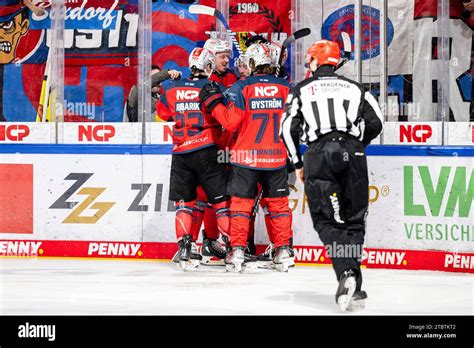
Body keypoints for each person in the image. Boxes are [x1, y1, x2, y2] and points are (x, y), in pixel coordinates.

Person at [280, 40, 383, 311]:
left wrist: (296, 164)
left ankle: (346, 275)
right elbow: (377, 122)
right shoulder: (355, 88)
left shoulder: (301, 89)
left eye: (309, 61)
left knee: (328, 220)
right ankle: (354, 284)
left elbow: (287, 127)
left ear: (315, 61)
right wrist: (355, 143)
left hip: (320, 154)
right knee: (354, 219)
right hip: (353, 154)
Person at [199, 43, 292, 273]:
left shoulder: (243, 86)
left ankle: (238, 251)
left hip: (246, 157)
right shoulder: (286, 87)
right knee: (278, 206)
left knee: (241, 206)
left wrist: (213, 103)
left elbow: (230, 122)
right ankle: (283, 251)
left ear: (252, 63)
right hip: (276, 156)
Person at [155, 47, 230, 270]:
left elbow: (161, 117)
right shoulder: (211, 87)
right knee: (221, 204)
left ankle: (185, 249)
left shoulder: (171, 88)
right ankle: (233, 248)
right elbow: (225, 116)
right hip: (207, 150)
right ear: (208, 66)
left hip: (181, 154)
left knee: (184, 205)